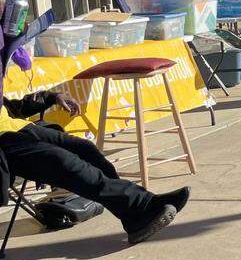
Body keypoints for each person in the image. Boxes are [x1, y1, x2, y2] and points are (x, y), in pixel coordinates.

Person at [0, 89, 190, 245]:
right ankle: (140, 207)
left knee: (85, 150)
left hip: (16, 127)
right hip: (4, 143)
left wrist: (51, 97)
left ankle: (136, 211)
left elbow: (9, 105)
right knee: (64, 162)